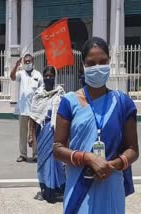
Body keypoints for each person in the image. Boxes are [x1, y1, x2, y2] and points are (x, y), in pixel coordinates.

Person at [53, 37, 139, 213]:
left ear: (109, 62)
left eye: (103, 62)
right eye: (91, 63)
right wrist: (88, 158)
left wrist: (111, 165)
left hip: (111, 183)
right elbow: (57, 148)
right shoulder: (69, 102)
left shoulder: (123, 103)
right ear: (83, 66)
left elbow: (133, 149)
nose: (97, 67)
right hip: (78, 183)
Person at [29, 66, 65, 203]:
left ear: (55, 77)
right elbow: (33, 117)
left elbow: (65, 115)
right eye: (46, 76)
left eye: (51, 76)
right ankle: (45, 188)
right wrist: (30, 135)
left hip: (55, 131)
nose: (48, 78)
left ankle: (55, 189)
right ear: (43, 77)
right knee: (42, 161)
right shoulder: (38, 94)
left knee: (55, 161)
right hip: (41, 131)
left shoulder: (60, 93)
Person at [10, 54, 44, 162]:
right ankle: (23, 154)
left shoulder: (38, 75)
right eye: (26, 62)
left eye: (29, 61)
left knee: (34, 132)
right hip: (23, 109)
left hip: (35, 109)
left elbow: (42, 90)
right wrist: (16, 65)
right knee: (23, 133)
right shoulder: (21, 74)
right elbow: (12, 77)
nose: (28, 63)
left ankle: (36, 154)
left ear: (33, 62)